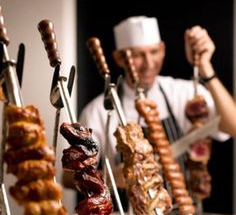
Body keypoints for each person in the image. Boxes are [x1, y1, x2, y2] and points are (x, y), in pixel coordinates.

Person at [78, 16, 236, 193]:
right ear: (119, 58)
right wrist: (106, 177)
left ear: (163, 49)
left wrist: (206, 68)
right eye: (137, 55)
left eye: (154, 52)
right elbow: (69, 177)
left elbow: (233, 126)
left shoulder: (183, 93)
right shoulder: (98, 110)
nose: (149, 63)